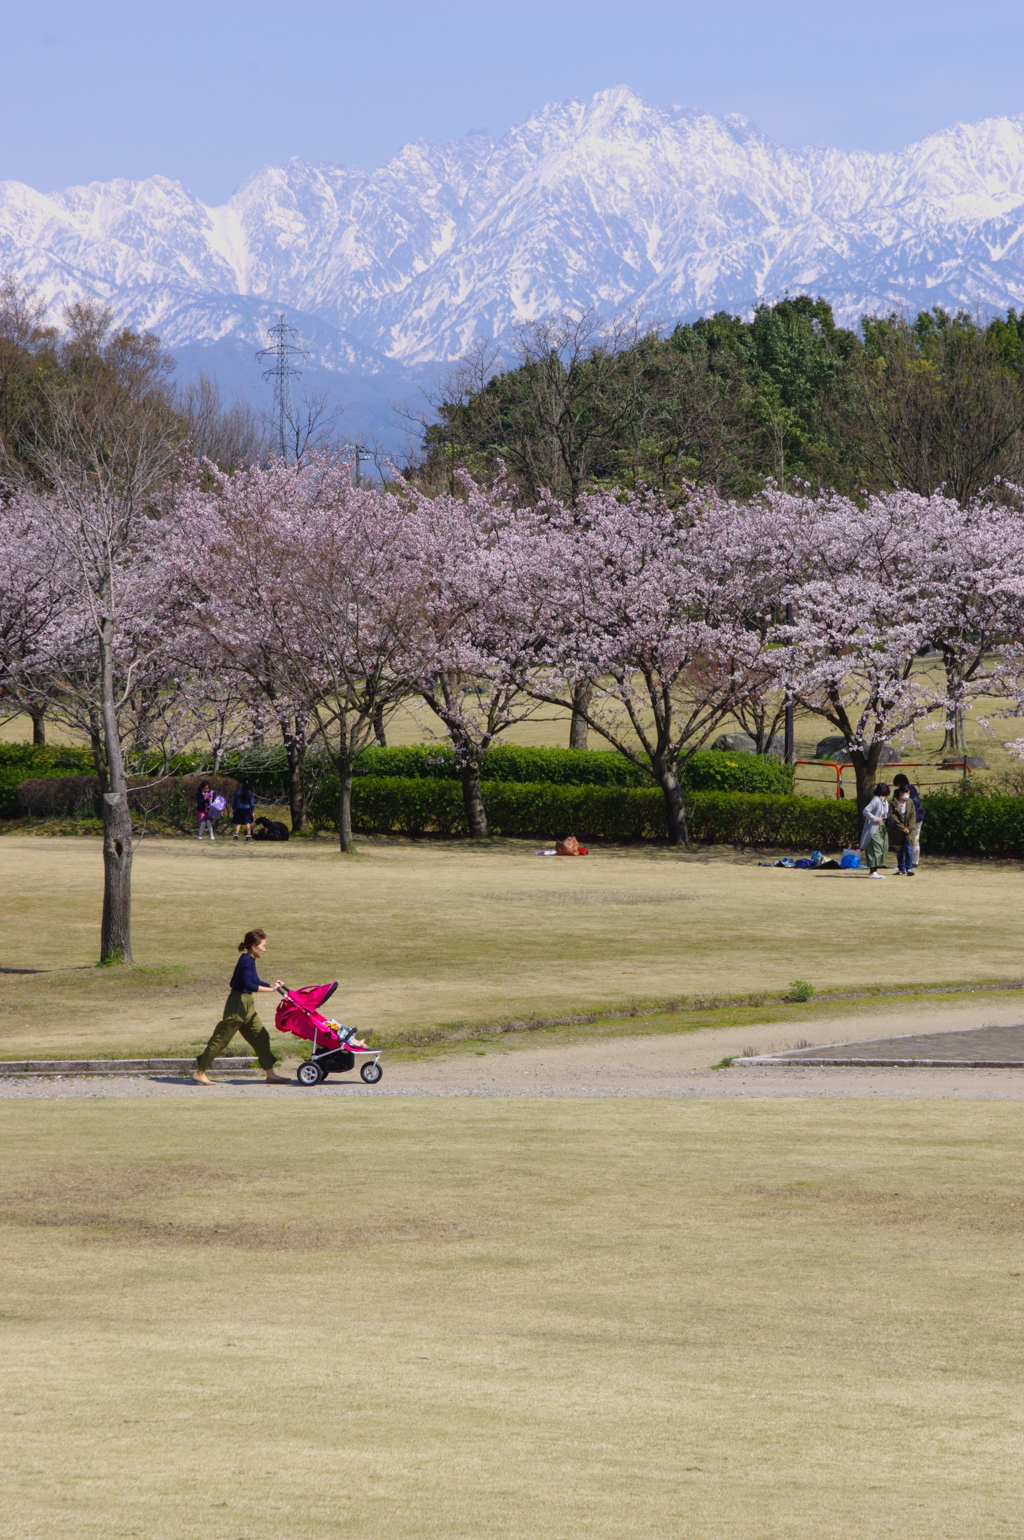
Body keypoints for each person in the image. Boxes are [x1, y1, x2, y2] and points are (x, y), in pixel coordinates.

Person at [192, 928, 291, 1084]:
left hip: (247, 1006)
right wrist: (270, 990)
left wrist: (273, 985)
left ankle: (270, 1074)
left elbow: (254, 980)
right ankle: (200, 1072)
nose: (265, 949)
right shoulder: (245, 960)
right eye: (263, 946)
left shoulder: (249, 960)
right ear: (253, 946)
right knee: (221, 1039)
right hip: (237, 1005)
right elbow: (247, 984)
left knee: (261, 1036)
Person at [892, 772, 925, 868]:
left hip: (916, 818)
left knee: (914, 840)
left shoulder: (910, 790)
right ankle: (905, 863)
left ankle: (914, 862)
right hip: (906, 820)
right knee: (904, 841)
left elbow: (914, 804)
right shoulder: (901, 791)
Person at [860, 782, 890, 877]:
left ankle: (875, 870)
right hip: (874, 827)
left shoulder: (885, 801)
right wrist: (875, 818)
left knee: (883, 846)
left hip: (882, 826)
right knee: (875, 847)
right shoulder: (876, 800)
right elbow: (865, 811)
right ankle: (873, 871)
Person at [887, 783, 917, 876]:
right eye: (906, 792)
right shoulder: (893, 803)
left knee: (908, 849)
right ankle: (901, 868)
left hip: (909, 831)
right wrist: (902, 828)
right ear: (900, 792)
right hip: (898, 831)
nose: (907, 794)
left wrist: (909, 828)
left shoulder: (910, 802)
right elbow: (893, 817)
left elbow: (913, 816)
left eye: (908, 792)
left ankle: (909, 869)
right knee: (899, 850)